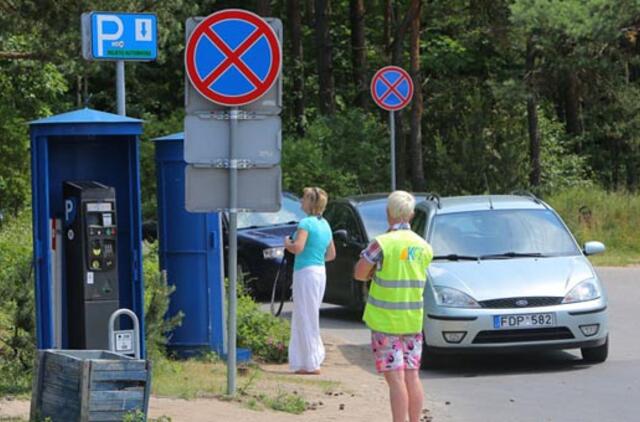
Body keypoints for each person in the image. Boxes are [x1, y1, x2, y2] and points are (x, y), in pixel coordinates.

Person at [353, 190, 433, 422]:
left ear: (389, 213)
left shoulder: (382, 243)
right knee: (412, 376)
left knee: (395, 379)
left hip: (385, 321)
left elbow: (360, 273)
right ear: (410, 214)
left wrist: (372, 273)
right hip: (412, 320)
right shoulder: (424, 246)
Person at [285, 187, 336, 374]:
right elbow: (331, 254)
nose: (301, 201)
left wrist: (287, 244)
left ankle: (310, 361)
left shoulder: (305, 223)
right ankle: (306, 360)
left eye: (304, 198)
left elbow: (298, 247)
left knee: (303, 315)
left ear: (311, 203)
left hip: (305, 272)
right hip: (319, 271)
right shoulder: (325, 224)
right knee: (310, 313)